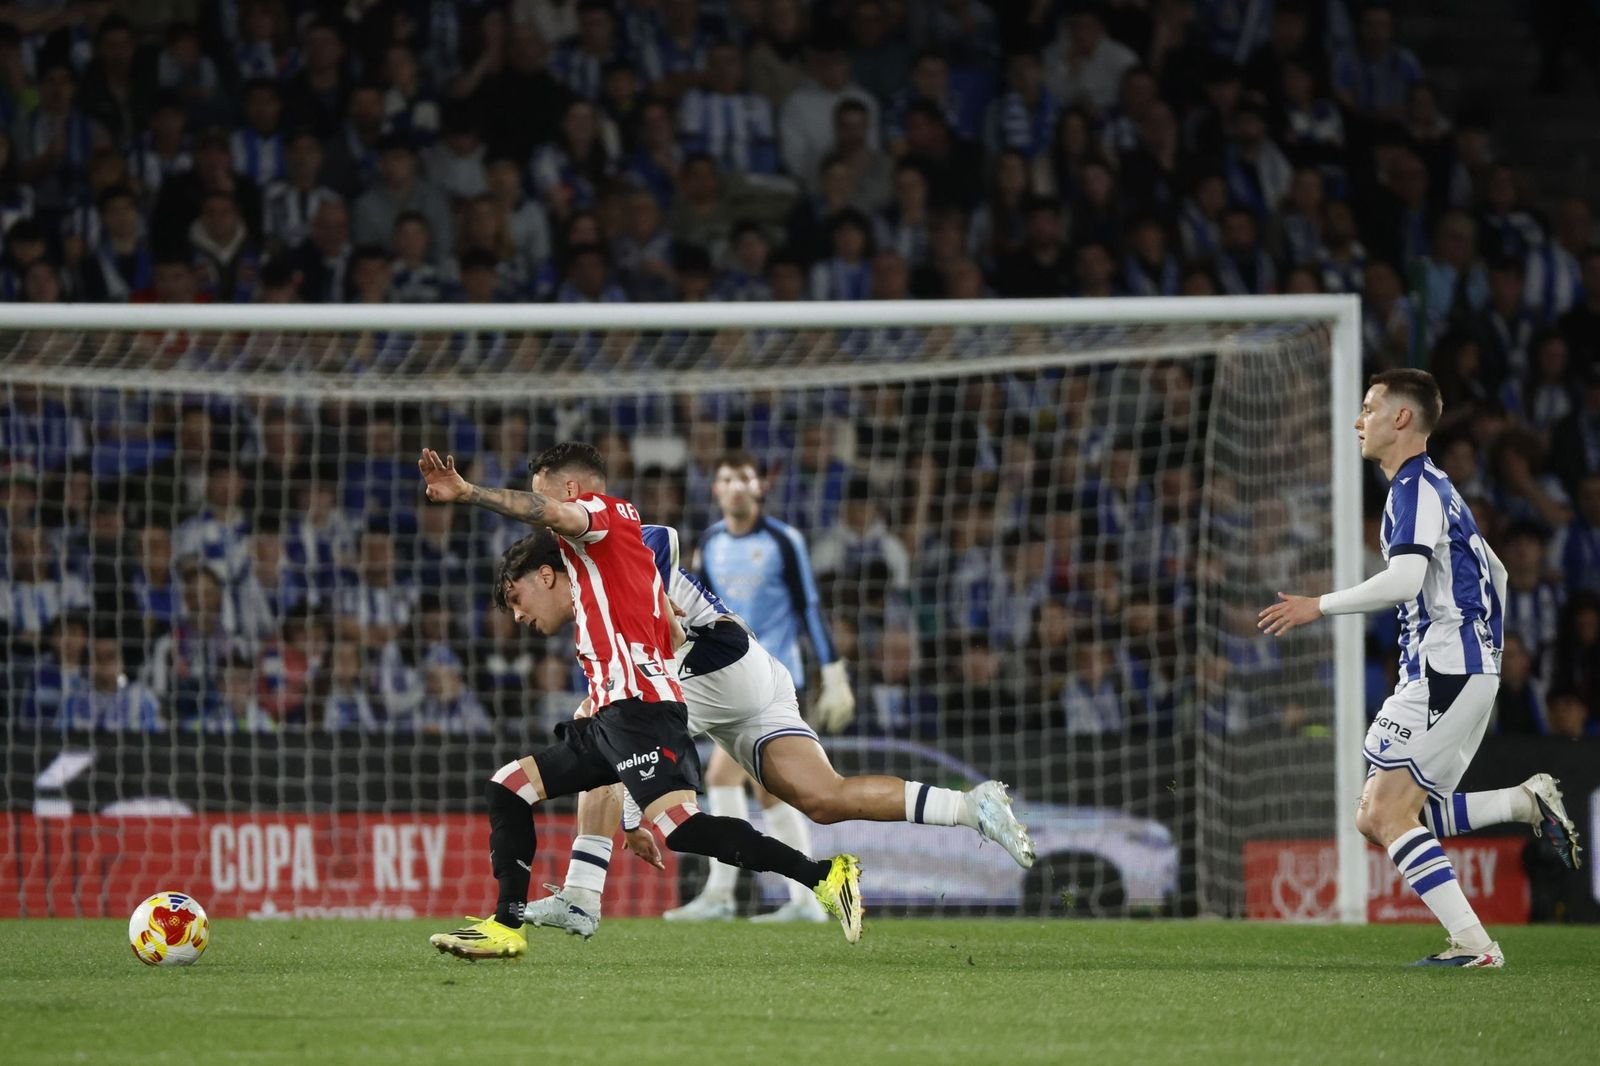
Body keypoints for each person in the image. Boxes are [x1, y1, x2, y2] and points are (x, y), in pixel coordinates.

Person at [417, 441, 865, 956]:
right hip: (616, 713)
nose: (518, 617)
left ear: (571, 491)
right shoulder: (591, 568)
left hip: (642, 710)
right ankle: (508, 925)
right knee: (509, 786)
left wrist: (468, 492)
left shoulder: (603, 517)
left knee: (682, 828)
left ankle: (825, 875)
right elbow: (663, 611)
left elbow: (551, 513)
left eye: (518, 601)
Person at [522, 518, 1033, 937]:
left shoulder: (604, 548)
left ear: (546, 573)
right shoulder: (589, 585)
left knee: (603, 725)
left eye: (518, 599)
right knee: (824, 799)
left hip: (714, 664)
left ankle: (584, 896)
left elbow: (662, 538)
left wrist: (659, 609)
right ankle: (971, 807)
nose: (521, 616)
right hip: (751, 676)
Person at [1259, 369, 1581, 968]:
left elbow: (1407, 579)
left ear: (1401, 418)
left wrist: (1317, 606)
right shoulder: (1439, 488)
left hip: (1444, 672)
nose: (1359, 422)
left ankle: (1476, 945)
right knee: (1377, 815)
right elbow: (1500, 577)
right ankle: (1522, 804)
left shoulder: (1413, 489)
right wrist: (1486, 652)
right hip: (1458, 670)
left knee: (1384, 812)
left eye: (1369, 409)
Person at [663, 450, 856, 920]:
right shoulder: (709, 542)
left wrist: (834, 673)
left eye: (744, 478)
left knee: (723, 778)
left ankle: (722, 895)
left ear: (759, 487)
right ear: (716, 489)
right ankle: (804, 899)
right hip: (726, 676)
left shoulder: (783, 540)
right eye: (726, 478)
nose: (735, 486)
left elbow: (809, 606)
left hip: (776, 677)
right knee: (770, 789)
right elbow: (694, 608)